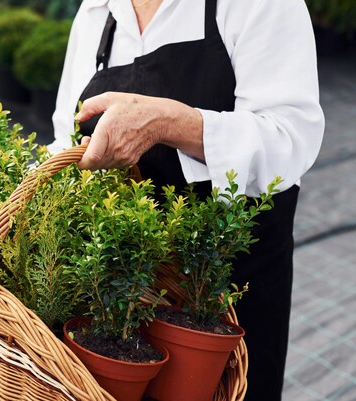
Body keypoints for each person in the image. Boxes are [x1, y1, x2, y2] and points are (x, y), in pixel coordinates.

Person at [45, 1, 324, 401]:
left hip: (224, 300)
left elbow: (290, 137)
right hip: (120, 305)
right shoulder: (98, 11)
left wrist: (169, 123)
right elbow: (64, 142)